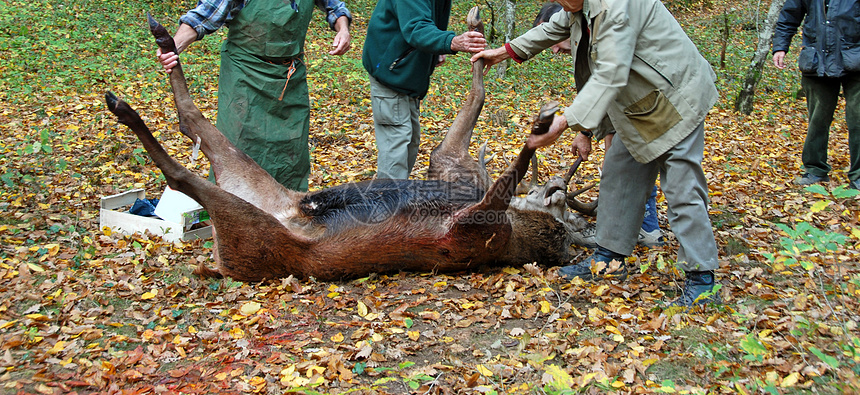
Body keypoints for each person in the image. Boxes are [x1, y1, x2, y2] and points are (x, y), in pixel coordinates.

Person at [472, 0, 721, 306]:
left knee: (682, 190)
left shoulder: (617, 6)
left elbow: (610, 72)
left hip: (675, 99)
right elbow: (553, 27)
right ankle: (607, 262)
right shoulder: (579, 6)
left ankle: (702, 279)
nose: (563, 3)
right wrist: (504, 52)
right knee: (618, 181)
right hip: (637, 108)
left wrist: (564, 122)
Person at [157, 0, 353, 192]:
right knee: (237, 154)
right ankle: (229, 219)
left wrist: (343, 29)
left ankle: (284, 220)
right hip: (245, 76)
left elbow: (335, 7)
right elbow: (205, 14)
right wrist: (173, 46)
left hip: (289, 80)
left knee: (289, 158)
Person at [531, 2, 664, 248]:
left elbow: (609, 85)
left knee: (628, 160)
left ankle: (646, 226)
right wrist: (587, 133)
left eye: (553, 39)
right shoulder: (586, 40)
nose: (553, 49)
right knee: (618, 161)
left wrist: (577, 128)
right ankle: (624, 226)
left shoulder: (602, 25)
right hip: (627, 106)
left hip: (648, 104)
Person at [362, 1, 487, 180]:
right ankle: (387, 204)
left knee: (410, 143)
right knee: (396, 146)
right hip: (391, 72)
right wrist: (450, 41)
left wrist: (435, 49)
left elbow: (426, 20)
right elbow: (416, 27)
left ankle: (396, 198)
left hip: (407, 76)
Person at [772, 0, 860, 190]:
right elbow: (788, 16)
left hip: (856, 61)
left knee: (858, 119)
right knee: (817, 120)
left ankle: (859, 175)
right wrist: (780, 46)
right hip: (816, 60)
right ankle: (815, 170)